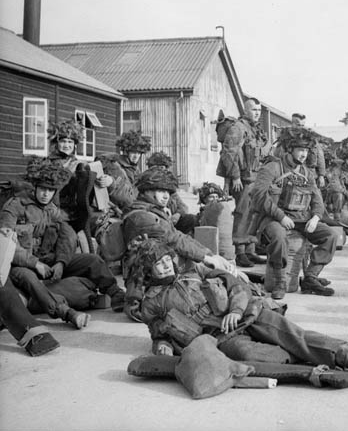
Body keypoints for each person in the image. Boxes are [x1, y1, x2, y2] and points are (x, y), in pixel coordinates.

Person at [136, 239, 348, 382]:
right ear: (149, 271)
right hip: (220, 337)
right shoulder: (152, 302)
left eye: (167, 260)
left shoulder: (196, 271)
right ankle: (314, 362)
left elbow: (236, 285)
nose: (166, 267)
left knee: (290, 333)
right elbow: (158, 333)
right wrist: (162, 346)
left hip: (246, 314)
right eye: (158, 265)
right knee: (252, 355)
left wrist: (235, 309)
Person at [0, 158, 126, 327]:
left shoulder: (52, 209)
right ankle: (65, 312)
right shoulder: (15, 206)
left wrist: (61, 262)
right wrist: (35, 264)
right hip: (18, 266)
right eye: (43, 189)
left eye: (50, 190)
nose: (46, 194)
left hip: (47, 261)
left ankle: (116, 295)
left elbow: (67, 236)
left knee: (92, 260)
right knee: (28, 277)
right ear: (35, 187)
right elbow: (5, 243)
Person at [120, 167, 235, 320]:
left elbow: (179, 236)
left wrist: (210, 255)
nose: (166, 196)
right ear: (146, 191)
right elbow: (174, 240)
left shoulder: (152, 210)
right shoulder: (142, 217)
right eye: (161, 191)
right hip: (146, 278)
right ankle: (141, 302)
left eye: (168, 192)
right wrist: (207, 259)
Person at [250, 132, 337, 299]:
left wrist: (316, 218)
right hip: (274, 218)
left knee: (330, 235)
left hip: (302, 219)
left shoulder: (307, 173)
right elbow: (259, 196)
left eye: (306, 150)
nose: (304, 154)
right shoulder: (272, 168)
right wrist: (281, 216)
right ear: (289, 150)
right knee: (279, 236)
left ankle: (311, 277)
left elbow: (317, 200)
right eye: (300, 150)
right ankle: (280, 282)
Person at [216, 98, 269, 268]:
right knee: (243, 214)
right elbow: (229, 152)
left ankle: (250, 250)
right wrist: (235, 176)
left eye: (259, 110)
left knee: (254, 214)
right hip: (243, 180)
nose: (257, 113)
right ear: (245, 111)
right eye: (254, 110)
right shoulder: (238, 128)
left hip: (256, 178)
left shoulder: (256, 130)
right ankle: (239, 252)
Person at [47, 119, 114, 234]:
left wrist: (109, 181)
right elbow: (49, 192)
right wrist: (67, 173)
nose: (67, 145)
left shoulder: (79, 163)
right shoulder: (47, 164)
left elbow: (95, 191)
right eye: (63, 141)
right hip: (57, 213)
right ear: (56, 143)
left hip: (78, 213)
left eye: (70, 142)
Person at [145, 152, 196, 234]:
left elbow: (183, 206)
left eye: (162, 168)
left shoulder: (169, 187)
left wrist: (178, 214)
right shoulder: (146, 186)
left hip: (171, 222)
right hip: (156, 223)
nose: (160, 171)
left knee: (191, 219)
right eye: (157, 168)